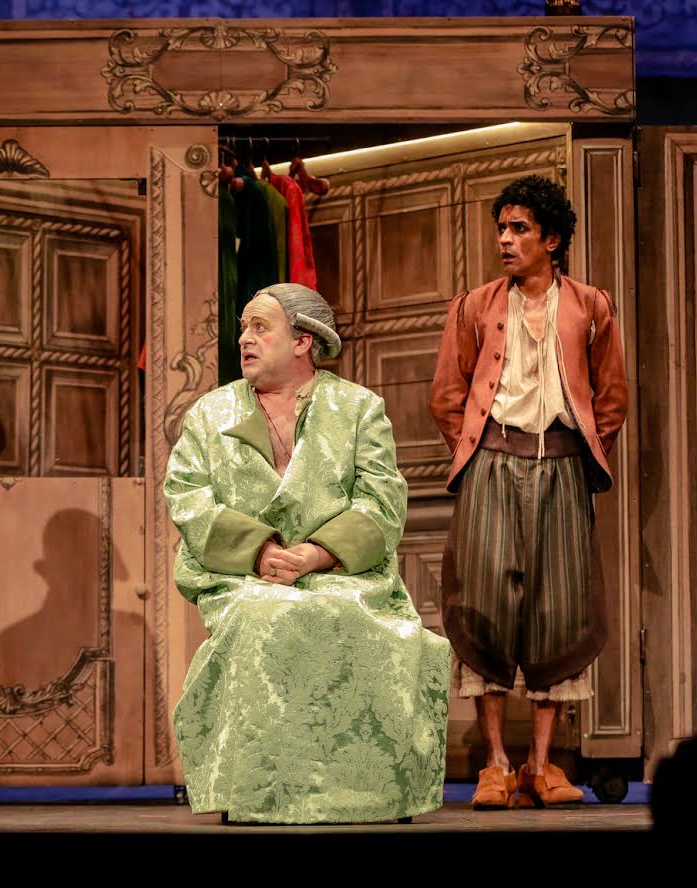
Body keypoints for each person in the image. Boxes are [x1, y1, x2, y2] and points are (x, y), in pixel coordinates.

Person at [164, 283, 450, 824]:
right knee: (261, 616)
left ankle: (371, 795)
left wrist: (318, 554)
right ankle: (259, 793)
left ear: (303, 341)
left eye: (259, 327)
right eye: (243, 328)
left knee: (361, 622)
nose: (244, 339)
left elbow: (382, 498)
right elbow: (187, 494)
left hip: (343, 573)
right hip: (247, 577)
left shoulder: (358, 409)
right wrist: (258, 552)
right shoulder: (211, 413)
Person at [429, 174, 628, 809]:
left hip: (561, 465)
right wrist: (476, 451)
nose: (506, 240)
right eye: (502, 228)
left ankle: (542, 764)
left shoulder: (590, 306)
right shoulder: (475, 305)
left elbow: (612, 396)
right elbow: (447, 394)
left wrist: (582, 452)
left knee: (558, 607)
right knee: (484, 602)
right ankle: (495, 764)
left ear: (552, 239)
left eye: (519, 229)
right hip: (493, 461)